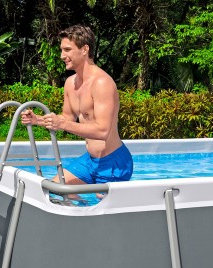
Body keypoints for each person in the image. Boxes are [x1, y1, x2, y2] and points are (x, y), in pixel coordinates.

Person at [21, 25, 133, 187]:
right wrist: (37, 120)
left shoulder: (102, 83)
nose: (62, 56)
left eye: (67, 50)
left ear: (84, 49)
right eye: (62, 50)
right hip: (90, 160)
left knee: (101, 203)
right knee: (55, 189)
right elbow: (66, 118)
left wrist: (62, 124)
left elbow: (102, 131)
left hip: (113, 162)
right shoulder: (70, 83)